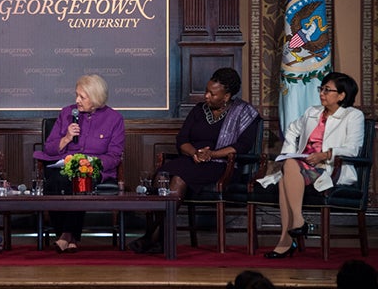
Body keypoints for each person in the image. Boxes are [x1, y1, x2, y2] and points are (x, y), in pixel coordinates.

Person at [129, 67, 260, 254]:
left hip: (223, 165)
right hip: (193, 159)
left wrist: (211, 155)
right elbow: (182, 140)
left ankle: (154, 237)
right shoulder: (199, 110)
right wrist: (195, 154)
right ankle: (159, 237)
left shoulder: (245, 113)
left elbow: (242, 146)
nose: (206, 96)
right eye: (206, 91)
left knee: (179, 179)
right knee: (163, 175)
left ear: (226, 96)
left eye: (212, 94)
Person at [261, 72, 364, 259]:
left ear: (342, 95)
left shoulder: (353, 116)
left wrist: (325, 155)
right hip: (301, 164)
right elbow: (292, 129)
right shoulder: (312, 112)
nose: (322, 93)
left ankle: (286, 241)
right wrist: (288, 151)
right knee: (289, 164)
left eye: (327, 90)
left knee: (286, 177)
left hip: (328, 167)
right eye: (321, 89)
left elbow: (353, 149)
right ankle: (298, 223)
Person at [33, 74, 125, 253]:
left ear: (96, 98)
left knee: (79, 179)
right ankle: (68, 236)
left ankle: (66, 235)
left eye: (82, 97)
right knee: (55, 179)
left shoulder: (114, 119)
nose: (77, 100)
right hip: (63, 164)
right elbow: (49, 148)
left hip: (92, 168)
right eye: (76, 95)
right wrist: (66, 138)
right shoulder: (67, 113)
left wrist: (91, 162)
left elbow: (114, 156)